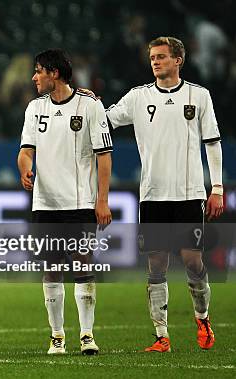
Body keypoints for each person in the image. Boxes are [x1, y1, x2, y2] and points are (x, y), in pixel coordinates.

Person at [106, 36, 223, 352]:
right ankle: (161, 336)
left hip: (188, 193)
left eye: (161, 57)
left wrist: (217, 189)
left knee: (192, 261)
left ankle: (202, 317)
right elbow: (105, 120)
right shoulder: (137, 97)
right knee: (156, 264)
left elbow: (212, 142)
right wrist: (84, 104)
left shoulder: (198, 96)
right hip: (153, 195)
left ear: (178, 60)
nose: (155, 62)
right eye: (152, 57)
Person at [17, 49, 112, 355]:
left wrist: (102, 200)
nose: (34, 77)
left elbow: (104, 155)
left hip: (81, 202)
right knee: (52, 268)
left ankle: (87, 335)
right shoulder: (34, 108)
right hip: (45, 203)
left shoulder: (90, 105)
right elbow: (25, 150)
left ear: (54, 73)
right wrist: (24, 167)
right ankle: (57, 336)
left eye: (38, 71)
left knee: (83, 264)